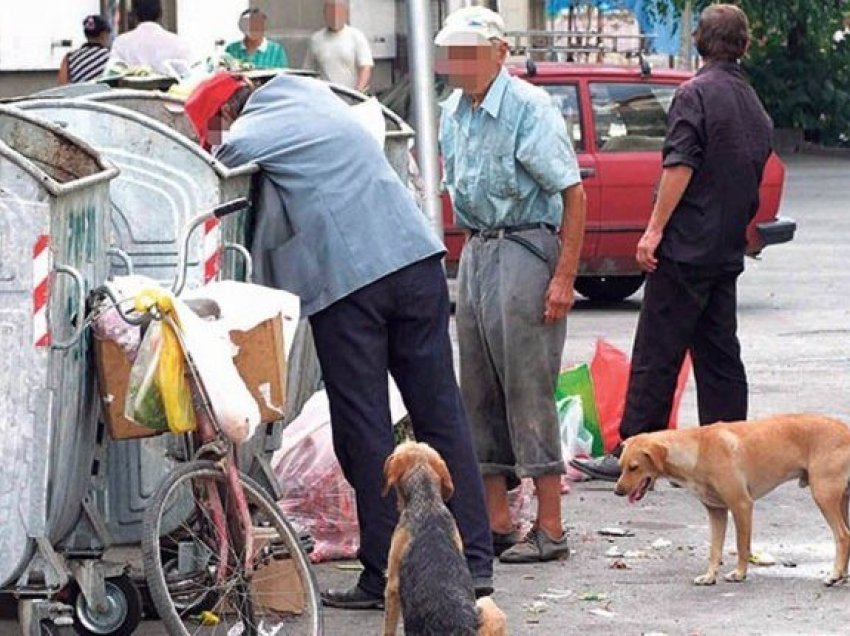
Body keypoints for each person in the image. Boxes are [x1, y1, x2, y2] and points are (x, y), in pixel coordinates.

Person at [184, 71, 494, 609]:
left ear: (223, 116)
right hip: (416, 261)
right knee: (441, 411)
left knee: (366, 427)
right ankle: (473, 561)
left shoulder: (248, 133)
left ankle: (382, 575)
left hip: (354, 285)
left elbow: (218, 168)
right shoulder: (312, 96)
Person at [571, 4, 773, 482]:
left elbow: (679, 164)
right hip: (725, 250)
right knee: (720, 354)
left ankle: (635, 452)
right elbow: (751, 173)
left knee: (658, 351)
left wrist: (654, 229)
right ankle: (733, 448)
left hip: (685, 247)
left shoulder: (694, 94)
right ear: (743, 46)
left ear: (700, 42)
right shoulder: (752, 103)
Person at [436, 7, 587, 563]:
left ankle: (551, 527)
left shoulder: (528, 106)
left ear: (500, 53)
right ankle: (498, 521)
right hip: (478, 249)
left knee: (528, 385)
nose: (460, 67)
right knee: (476, 387)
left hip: (527, 246)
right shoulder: (452, 110)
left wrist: (563, 276)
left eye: (471, 54)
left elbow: (573, 193)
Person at [108, 0, 192, 76]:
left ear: (134, 15)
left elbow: (112, 74)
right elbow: (186, 76)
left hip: (128, 92)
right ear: (160, 14)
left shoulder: (121, 42)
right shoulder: (178, 43)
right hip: (170, 92)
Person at [305, 0, 373, 92]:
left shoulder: (356, 36)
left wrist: (358, 92)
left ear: (346, 13)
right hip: (324, 98)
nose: (334, 16)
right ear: (324, 14)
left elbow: (365, 68)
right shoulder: (316, 39)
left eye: (339, 12)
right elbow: (308, 71)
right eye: (330, 12)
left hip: (350, 99)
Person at [58, 15, 111, 84]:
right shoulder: (110, 57)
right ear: (103, 34)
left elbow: (62, 85)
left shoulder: (69, 57)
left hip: (78, 94)